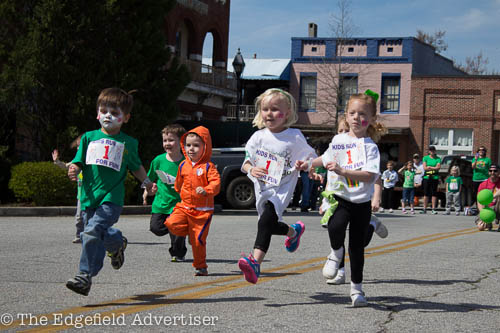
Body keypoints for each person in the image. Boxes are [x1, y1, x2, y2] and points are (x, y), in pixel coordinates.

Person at [66, 88, 154, 296]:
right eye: (104, 111)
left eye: (115, 113)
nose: (108, 116)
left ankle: (84, 276)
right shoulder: (88, 138)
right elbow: (79, 160)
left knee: (89, 232)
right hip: (89, 197)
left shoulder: (128, 143)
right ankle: (116, 243)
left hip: (111, 199)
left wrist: (148, 183)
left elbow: (136, 166)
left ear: (126, 118)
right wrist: (74, 169)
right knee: (96, 234)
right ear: (97, 113)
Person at [305, 90, 385, 307]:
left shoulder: (371, 147)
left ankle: (357, 290)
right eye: (353, 113)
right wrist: (308, 164)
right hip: (340, 197)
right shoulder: (339, 139)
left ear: (371, 119)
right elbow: (326, 158)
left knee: (357, 249)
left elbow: (370, 176)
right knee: (334, 226)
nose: (357, 118)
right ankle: (335, 252)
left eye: (362, 114)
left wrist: (344, 172)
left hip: (360, 202)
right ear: (346, 116)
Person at [237, 88, 316, 285]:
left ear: (287, 113)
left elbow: (310, 158)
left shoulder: (294, 136)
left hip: (283, 187)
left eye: (275, 109)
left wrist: (307, 167)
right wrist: (250, 169)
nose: (269, 114)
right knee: (269, 224)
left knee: (265, 222)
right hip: (263, 187)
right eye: (265, 109)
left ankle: (255, 263)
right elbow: (246, 161)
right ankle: (293, 231)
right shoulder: (258, 137)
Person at [164, 126, 221, 276]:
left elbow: (216, 184)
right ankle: (189, 232)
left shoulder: (209, 166)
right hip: (185, 206)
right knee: (171, 223)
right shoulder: (183, 164)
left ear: (205, 147)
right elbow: (178, 182)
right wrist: (177, 190)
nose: (191, 149)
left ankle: (201, 266)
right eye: (188, 145)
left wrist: (207, 190)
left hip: (202, 212)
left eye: (196, 145)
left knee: (198, 241)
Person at [145, 124, 188, 262]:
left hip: (179, 204)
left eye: (171, 140)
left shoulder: (186, 162)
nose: (167, 144)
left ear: (181, 142)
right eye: (165, 140)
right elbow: (149, 180)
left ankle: (178, 253)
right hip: (161, 203)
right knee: (155, 228)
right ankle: (175, 228)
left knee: (177, 229)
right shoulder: (158, 161)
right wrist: (147, 192)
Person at [52, 135, 83, 243]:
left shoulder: (93, 158)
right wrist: (57, 161)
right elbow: (66, 166)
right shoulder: (77, 160)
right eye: (77, 146)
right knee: (79, 217)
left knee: (92, 218)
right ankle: (79, 235)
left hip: (94, 194)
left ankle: (94, 236)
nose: (78, 148)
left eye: (80, 145)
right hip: (81, 195)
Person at [477, 164, 500, 231]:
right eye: (490, 171)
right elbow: (479, 200)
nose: (492, 172)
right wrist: (483, 214)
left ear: (499, 172)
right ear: (488, 172)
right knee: (481, 227)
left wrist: (492, 196)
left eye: (495, 171)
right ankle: (488, 223)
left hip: (497, 207)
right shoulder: (483, 184)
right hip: (487, 209)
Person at [421, 146, 441, 214]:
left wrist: (430, 167)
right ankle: (424, 208)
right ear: (429, 151)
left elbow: (438, 167)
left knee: (434, 193)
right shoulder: (425, 158)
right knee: (426, 193)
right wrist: (433, 168)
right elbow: (425, 168)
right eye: (431, 150)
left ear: (435, 151)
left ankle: (433, 208)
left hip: (434, 177)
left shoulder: (438, 158)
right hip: (427, 177)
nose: (432, 151)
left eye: (433, 150)